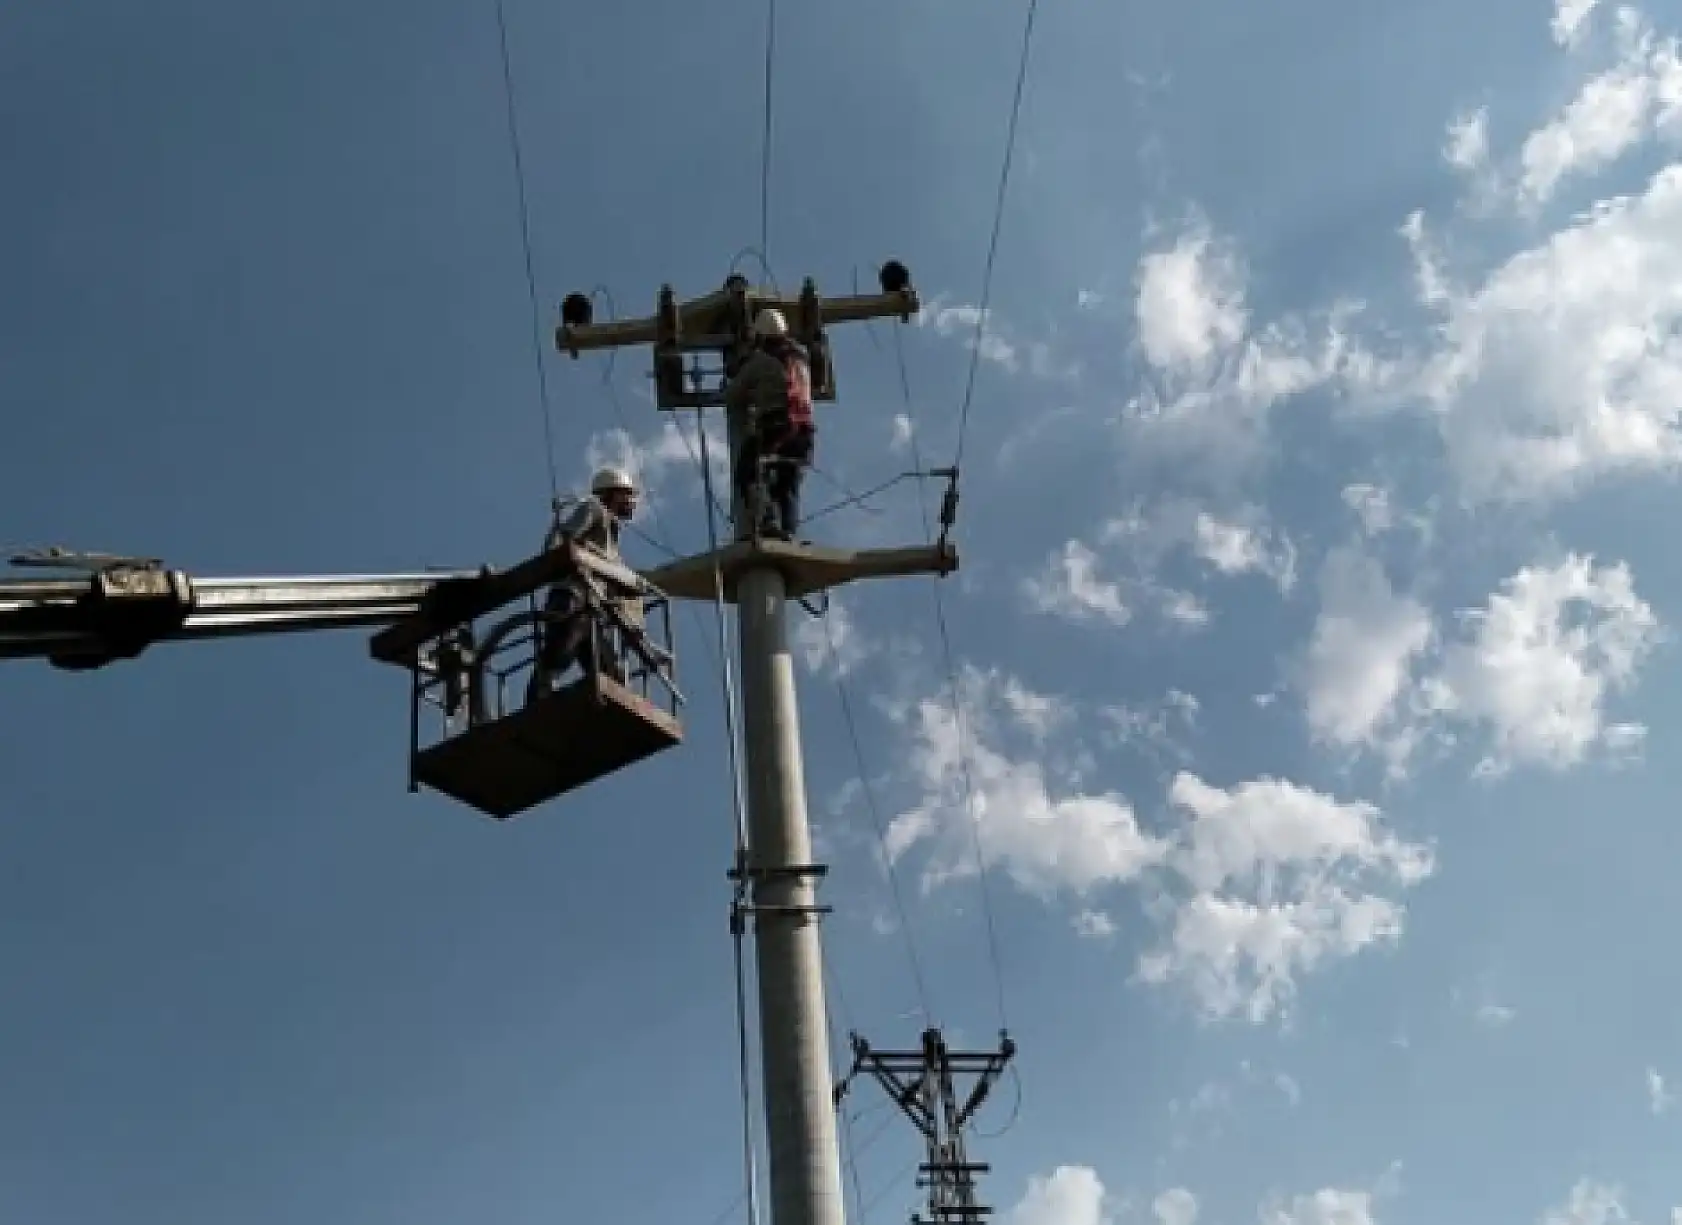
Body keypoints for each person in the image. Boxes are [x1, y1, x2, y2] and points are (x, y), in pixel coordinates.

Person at [526, 466, 640, 703]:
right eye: (627, 494)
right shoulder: (593, 508)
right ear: (612, 493)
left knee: (611, 675)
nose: (632, 501)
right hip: (572, 596)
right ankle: (538, 702)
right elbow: (565, 538)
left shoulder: (612, 537)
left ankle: (606, 715)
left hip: (593, 610)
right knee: (561, 652)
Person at [727, 307, 815, 540]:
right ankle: (788, 532)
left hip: (776, 427)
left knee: (749, 473)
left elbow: (734, 395)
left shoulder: (760, 361)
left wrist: (740, 367)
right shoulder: (802, 356)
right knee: (788, 485)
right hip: (804, 434)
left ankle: (766, 521)